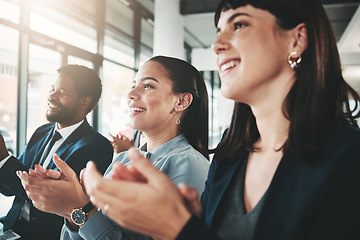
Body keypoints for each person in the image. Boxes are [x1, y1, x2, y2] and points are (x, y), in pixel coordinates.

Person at [80, 0, 360, 239]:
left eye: (238, 25)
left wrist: (180, 229)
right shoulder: (230, 157)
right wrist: (192, 221)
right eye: (218, 30)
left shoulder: (348, 157)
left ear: (296, 40)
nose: (216, 44)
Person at [18, 56, 210, 239]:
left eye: (148, 86)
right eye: (133, 85)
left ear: (181, 101)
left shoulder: (188, 164)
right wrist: (73, 205)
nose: (131, 94)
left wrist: (80, 209)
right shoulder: (122, 159)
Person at [0, 65, 113, 240]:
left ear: (84, 102)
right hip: (12, 228)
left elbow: (50, 200)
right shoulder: (41, 132)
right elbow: (14, 183)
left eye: (62, 92)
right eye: (53, 89)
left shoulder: (97, 147)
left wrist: (4, 158)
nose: (51, 95)